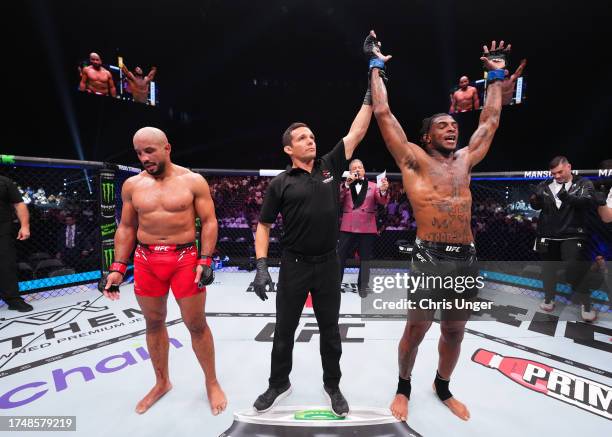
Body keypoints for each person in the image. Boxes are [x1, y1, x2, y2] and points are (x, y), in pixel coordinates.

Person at [370, 33, 508, 422]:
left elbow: (491, 120)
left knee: (454, 332)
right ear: (426, 135)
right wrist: (375, 66)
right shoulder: (412, 159)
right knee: (417, 330)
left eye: (453, 125)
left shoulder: (465, 160)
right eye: (443, 126)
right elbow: (383, 115)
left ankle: (442, 386)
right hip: (429, 256)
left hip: (465, 257)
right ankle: (403, 386)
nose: (452, 129)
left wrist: (496, 76)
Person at [250, 34, 377, 417]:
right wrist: (260, 266)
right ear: (288, 148)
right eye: (303, 138)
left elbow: (358, 129)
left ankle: (333, 385)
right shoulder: (280, 183)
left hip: (327, 263)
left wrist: (372, 79)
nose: (311, 139)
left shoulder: (329, 165)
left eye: (312, 136)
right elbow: (264, 225)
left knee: (331, 331)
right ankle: (278, 383)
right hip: (293, 264)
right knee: (283, 330)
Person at [101, 127, 226, 415]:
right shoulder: (132, 185)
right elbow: (127, 227)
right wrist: (118, 267)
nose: (144, 157)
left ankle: (211, 381)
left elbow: (209, 221)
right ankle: (162, 382)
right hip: (146, 260)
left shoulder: (192, 181)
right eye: (139, 153)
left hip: (183, 258)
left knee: (196, 324)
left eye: (149, 151)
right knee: (154, 322)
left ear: (167, 148)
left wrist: (205, 260)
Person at [529, 156, 599, 321]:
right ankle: (549, 298)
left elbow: (587, 203)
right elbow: (535, 206)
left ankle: (586, 303)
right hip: (547, 233)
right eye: (554, 173)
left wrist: (565, 196)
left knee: (574, 267)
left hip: (573, 233)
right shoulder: (545, 184)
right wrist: (535, 198)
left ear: (569, 167)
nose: (557, 176)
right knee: (548, 268)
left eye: (560, 172)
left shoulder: (584, 183)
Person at [338, 158, 389, 297]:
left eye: (359, 167)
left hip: (367, 226)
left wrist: (384, 191)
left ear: (364, 170)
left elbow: (382, 201)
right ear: (349, 172)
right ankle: (336, 284)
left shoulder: (373, 186)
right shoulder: (345, 186)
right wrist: (346, 185)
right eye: (354, 168)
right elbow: (337, 200)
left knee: (365, 258)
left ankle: (363, 285)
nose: (357, 170)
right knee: (340, 256)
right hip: (347, 226)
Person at [0, 175, 32, 312]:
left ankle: (13, 299)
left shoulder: (4, 181)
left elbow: (19, 203)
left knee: (7, 265)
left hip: (2, 230)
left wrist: (25, 226)